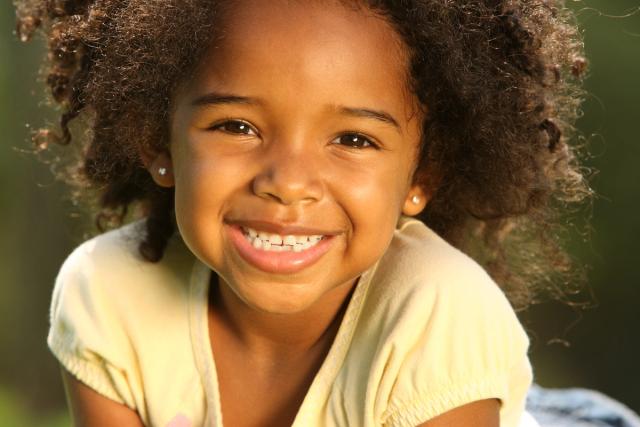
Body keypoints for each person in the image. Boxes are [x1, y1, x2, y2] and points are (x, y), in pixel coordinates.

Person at [15, 0, 592, 426]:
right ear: (157, 144)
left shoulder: (442, 316)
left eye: (354, 139)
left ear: (420, 179)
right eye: (236, 126)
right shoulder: (108, 295)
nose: (289, 183)